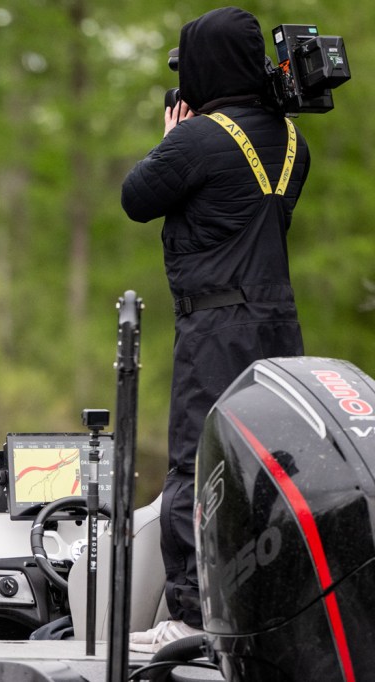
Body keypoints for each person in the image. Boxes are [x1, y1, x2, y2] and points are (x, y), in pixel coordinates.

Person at [120, 7, 309, 652]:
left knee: (196, 465)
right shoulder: (293, 141)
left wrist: (170, 138)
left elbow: (136, 198)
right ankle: (269, 609)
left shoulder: (196, 139)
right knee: (270, 466)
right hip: (280, 330)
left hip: (215, 330)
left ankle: (190, 613)